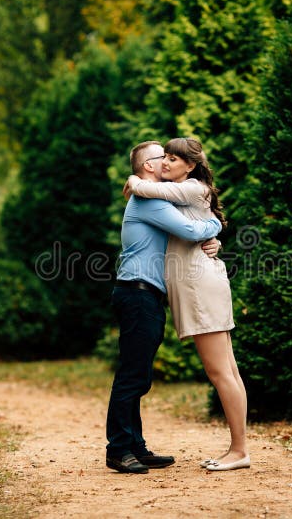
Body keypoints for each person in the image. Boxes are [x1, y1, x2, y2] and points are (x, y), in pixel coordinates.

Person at [125, 137, 250, 472]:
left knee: (219, 370)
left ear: (191, 166)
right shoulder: (189, 191)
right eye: (164, 157)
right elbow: (196, 226)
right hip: (202, 280)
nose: (166, 163)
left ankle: (239, 451)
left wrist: (135, 181)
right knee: (228, 369)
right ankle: (239, 448)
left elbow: (154, 193)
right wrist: (213, 232)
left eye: (174, 160)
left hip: (198, 285)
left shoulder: (191, 188)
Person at [106, 140, 222, 474]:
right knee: (132, 376)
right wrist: (215, 225)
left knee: (139, 375)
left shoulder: (154, 197)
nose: (169, 162)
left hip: (145, 295)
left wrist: (212, 238)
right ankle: (118, 449)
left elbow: (191, 228)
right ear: (147, 167)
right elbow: (190, 229)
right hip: (138, 294)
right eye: (162, 157)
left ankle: (135, 446)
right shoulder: (146, 197)